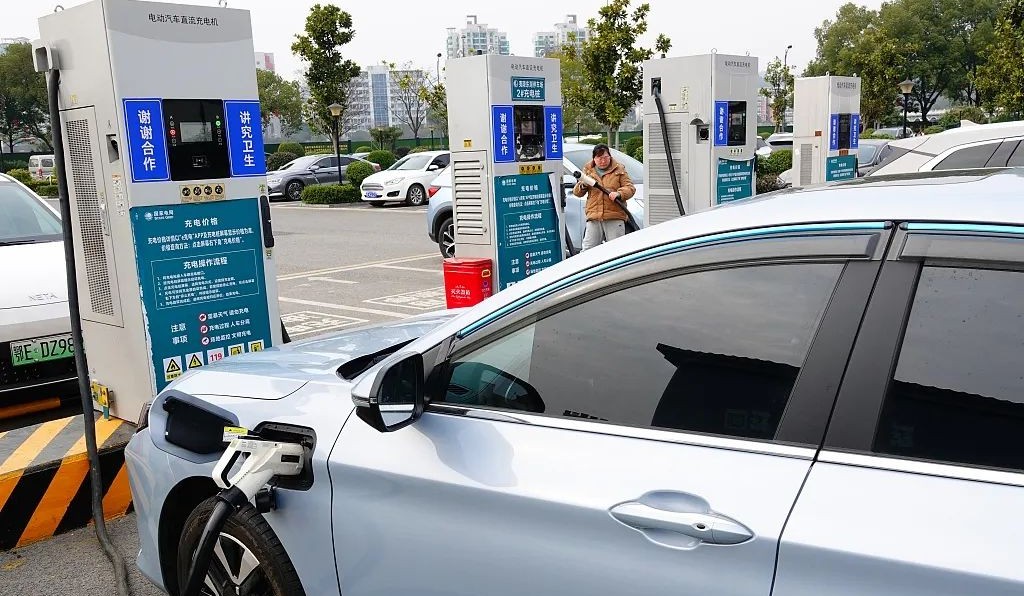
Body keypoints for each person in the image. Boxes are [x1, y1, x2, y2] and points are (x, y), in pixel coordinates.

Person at [572, 143, 636, 251]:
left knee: (616, 251)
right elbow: (577, 193)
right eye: (599, 158)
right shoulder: (588, 170)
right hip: (594, 217)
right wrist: (583, 185)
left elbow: (630, 188)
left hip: (614, 216)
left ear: (610, 156)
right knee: (588, 250)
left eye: (605, 157)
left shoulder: (619, 169)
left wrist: (619, 194)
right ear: (594, 158)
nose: (603, 161)